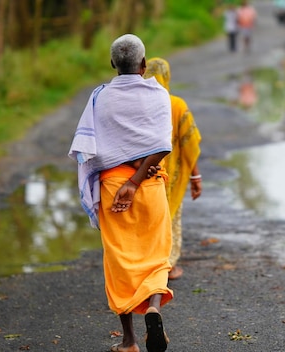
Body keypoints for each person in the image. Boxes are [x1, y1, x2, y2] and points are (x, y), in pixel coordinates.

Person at [68, 33, 173, 352]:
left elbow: (90, 148)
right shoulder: (158, 94)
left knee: (120, 260)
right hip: (150, 185)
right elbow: (162, 146)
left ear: (113, 63)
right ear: (143, 64)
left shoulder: (100, 97)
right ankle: (153, 306)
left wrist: (126, 182)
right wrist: (138, 179)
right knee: (156, 255)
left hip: (114, 188)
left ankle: (128, 342)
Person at [143, 57, 202, 280]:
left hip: (143, 175)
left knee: (147, 221)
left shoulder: (138, 104)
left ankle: (145, 268)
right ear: (167, 76)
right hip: (172, 177)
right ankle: (167, 266)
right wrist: (196, 176)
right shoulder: (176, 105)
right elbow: (190, 145)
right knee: (170, 219)